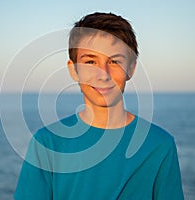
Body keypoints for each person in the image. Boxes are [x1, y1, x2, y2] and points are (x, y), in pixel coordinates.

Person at [14, 12, 184, 199]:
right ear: (74, 70)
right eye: (90, 61)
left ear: (131, 68)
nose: (103, 74)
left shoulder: (159, 145)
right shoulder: (47, 143)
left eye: (114, 61)